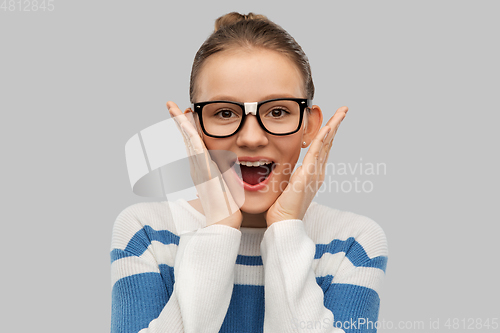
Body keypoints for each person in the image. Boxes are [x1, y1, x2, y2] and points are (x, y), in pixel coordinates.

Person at [110, 12, 388, 333]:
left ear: (309, 126)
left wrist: (286, 228)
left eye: (279, 111)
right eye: (225, 113)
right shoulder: (146, 234)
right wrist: (219, 230)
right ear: (191, 128)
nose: (252, 138)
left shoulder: (353, 243)